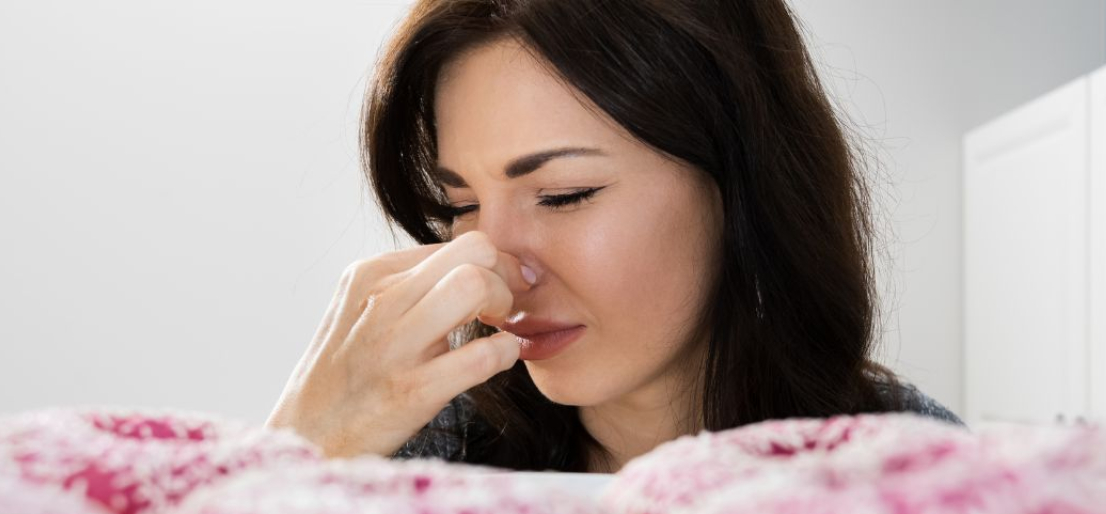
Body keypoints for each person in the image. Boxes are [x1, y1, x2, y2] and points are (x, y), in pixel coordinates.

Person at [266, 0, 964, 474]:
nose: (494, 271)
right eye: (463, 204)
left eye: (564, 195)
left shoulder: (914, 469)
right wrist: (300, 451)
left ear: (740, 187)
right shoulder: (425, 456)